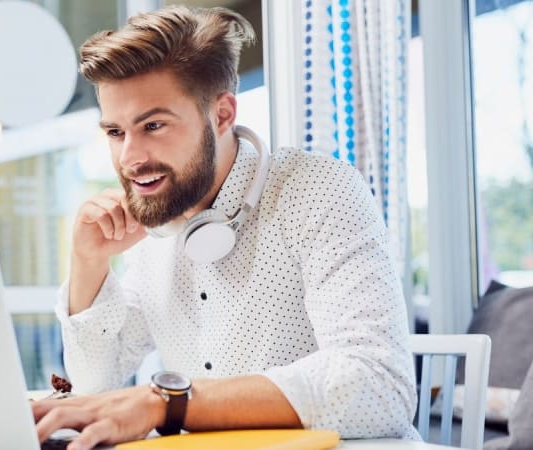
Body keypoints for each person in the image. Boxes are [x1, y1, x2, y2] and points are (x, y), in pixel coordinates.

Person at [32, 5, 419, 449]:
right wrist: (88, 262)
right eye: (116, 133)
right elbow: (94, 383)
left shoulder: (318, 189)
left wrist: (168, 402)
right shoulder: (153, 223)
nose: (129, 158)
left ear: (221, 115)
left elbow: (380, 386)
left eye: (153, 125)